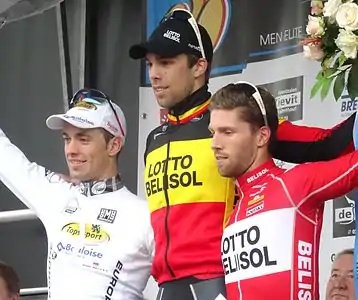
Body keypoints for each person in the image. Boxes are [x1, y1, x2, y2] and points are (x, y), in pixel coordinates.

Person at [128, 7, 356, 300]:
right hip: (165, 288)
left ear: (199, 66)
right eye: (150, 65)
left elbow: (327, 144)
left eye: (166, 63)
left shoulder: (235, 120)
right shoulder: (153, 139)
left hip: (217, 282)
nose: (155, 75)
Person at [208, 81, 358, 299]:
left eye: (227, 132)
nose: (215, 143)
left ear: (262, 136)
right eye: (213, 132)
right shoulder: (234, 214)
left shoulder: (295, 183)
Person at [0, 88, 153, 299]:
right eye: (66, 139)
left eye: (83, 139)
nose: (71, 150)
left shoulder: (143, 215)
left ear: (114, 145)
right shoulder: (56, 194)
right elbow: (5, 156)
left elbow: (183, 282)